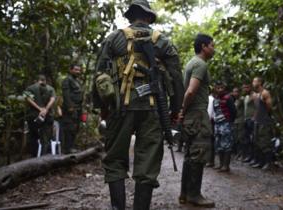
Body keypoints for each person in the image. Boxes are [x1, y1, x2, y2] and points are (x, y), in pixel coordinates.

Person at [95, 1, 184, 209]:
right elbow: (177, 78)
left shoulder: (114, 38)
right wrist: (174, 109)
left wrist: (102, 110)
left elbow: (99, 75)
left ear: (130, 16)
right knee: (147, 164)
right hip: (153, 109)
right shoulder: (162, 41)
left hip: (119, 107)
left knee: (115, 160)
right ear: (149, 17)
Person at [179, 33, 215, 208]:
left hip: (192, 115)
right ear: (203, 46)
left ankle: (185, 193)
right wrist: (183, 110)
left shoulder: (192, 63)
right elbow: (191, 91)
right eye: (212, 46)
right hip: (197, 115)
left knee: (190, 155)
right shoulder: (200, 64)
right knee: (198, 154)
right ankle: (194, 195)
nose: (213, 49)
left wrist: (183, 112)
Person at [24, 74, 56, 156]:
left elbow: (28, 99)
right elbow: (52, 99)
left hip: (34, 116)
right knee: (46, 138)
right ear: (45, 80)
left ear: (36, 80)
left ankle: (34, 157)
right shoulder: (51, 89)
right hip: (47, 116)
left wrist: (39, 109)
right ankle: (43, 157)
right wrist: (45, 109)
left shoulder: (30, 88)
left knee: (33, 137)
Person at [212, 81, 236, 172]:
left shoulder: (228, 98)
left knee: (227, 145)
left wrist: (230, 122)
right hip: (217, 124)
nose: (220, 89)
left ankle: (226, 166)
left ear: (224, 88)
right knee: (218, 144)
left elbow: (233, 111)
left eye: (222, 87)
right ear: (215, 88)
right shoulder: (215, 99)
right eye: (218, 88)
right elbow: (215, 111)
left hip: (226, 124)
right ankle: (221, 164)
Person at [251, 77, 274, 170]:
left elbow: (269, 106)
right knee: (257, 141)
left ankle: (269, 163)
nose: (253, 83)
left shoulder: (265, 93)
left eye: (254, 81)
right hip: (257, 120)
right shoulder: (255, 94)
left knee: (265, 141)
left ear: (260, 82)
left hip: (264, 121)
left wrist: (265, 116)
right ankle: (260, 161)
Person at [61, 64, 83, 154]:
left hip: (78, 108)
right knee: (69, 128)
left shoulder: (76, 81)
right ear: (70, 70)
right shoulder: (67, 80)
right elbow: (66, 94)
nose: (78, 72)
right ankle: (67, 148)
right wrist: (70, 107)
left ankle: (71, 147)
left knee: (75, 128)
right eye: (76, 70)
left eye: (79, 70)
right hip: (70, 109)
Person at [243, 83, 255, 163]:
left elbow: (257, 107)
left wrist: (254, 117)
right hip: (246, 119)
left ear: (250, 87)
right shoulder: (246, 97)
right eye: (244, 88)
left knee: (253, 139)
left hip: (252, 120)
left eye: (247, 87)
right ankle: (249, 156)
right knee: (247, 139)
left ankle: (254, 157)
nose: (245, 89)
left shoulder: (254, 96)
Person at [232, 87, 246, 161]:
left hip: (241, 121)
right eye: (234, 92)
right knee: (236, 138)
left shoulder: (241, 99)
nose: (235, 93)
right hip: (235, 121)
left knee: (241, 138)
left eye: (236, 92)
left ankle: (243, 155)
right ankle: (238, 153)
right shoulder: (235, 100)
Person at [206, 87, 216, 167]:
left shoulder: (210, 99)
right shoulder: (209, 99)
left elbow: (209, 113)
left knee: (209, 142)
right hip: (209, 122)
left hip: (209, 122)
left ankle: (210, 161)